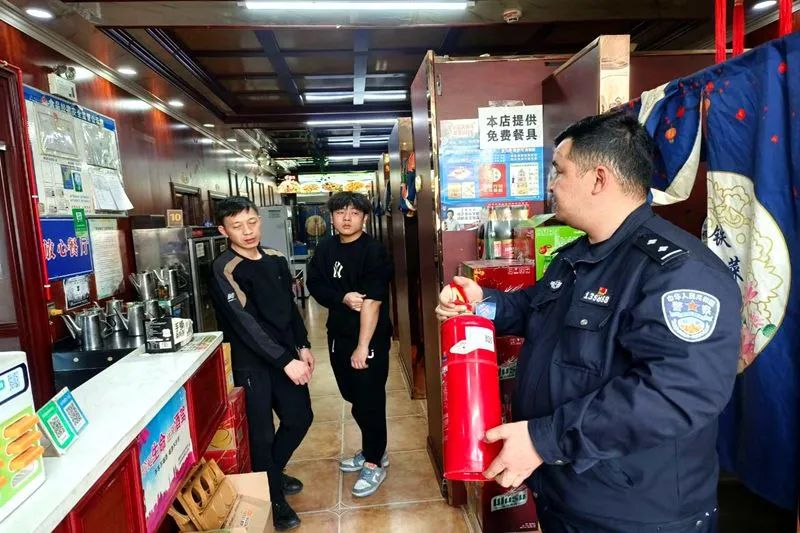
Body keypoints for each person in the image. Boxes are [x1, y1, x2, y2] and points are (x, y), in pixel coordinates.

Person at [436, 112, 741, 532]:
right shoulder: (577, 255)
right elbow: (532, 308)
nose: (550, 185)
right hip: (566, 491)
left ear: (598, 179)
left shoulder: (677, 272)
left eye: (559, 171)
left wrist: (545, 439)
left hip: (634, 513)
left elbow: (674, 394)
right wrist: (482, 303)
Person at [209, 196, 314, 531]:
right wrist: (285, 361)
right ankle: (272, 497)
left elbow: (290, 306)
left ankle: (272, 473)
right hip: (251, 362)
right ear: (223, 230)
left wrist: (302, 344)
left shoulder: (276, 258)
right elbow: (245, 323)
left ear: (259, 220)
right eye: (237, 226)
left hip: (285, 355)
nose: (247, 231)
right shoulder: (224, 268)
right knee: (262, 434)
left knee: (299, 417)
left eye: (252, 222)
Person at [307, 191, 394, 498]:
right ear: (331, 217)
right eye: (340, 212)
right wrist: (341, 297)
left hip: (368, 338)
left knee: (370, 399)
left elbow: (373, 302)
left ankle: (374, 461)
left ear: (364, 218)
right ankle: (373, 447)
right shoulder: (326, 248)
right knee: (351, 394)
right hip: (338, 334)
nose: (347, 218)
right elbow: (315, 283)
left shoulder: (374, 252)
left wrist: (362, 346)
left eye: (354, 213)